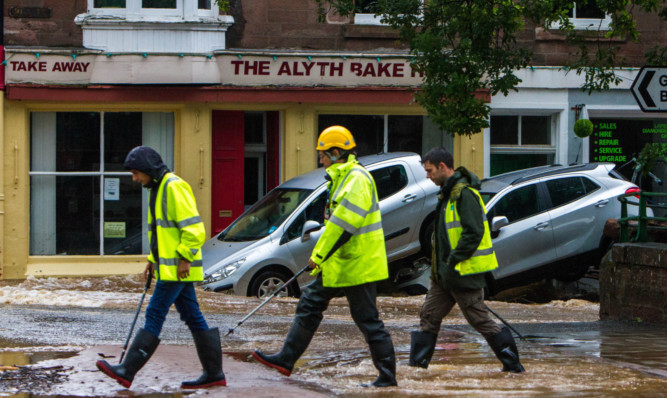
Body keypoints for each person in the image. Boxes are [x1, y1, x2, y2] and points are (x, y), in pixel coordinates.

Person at [252, 125, 397, 387]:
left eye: (323, 154)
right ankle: (286, 359)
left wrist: (317, 256)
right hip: (342, 263)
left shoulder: (356, 179)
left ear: (336, 152)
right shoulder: (341, 178)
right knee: (310, 302)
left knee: (367, 319)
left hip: (358, 264)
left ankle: (388, 377)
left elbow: (343, 226)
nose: (320, 159)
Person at [96, 146, 226, 389]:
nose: (135, 179)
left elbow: (195, 229)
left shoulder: (173, 186)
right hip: (172, 267)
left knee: (155, 313)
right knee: (192, 316)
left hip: (178, 268)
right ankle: (214, 374)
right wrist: (153, 259)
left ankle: (127, 371)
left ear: (147, 169)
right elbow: (162, 233)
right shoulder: (157, 188)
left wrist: (185, 258)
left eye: (136, 173)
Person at [409, 147, 525, 373]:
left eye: (430, 170)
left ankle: (513, 367)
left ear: (443, 167)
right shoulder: (447, 194)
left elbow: (473, 233)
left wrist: (453, 260)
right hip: (443, 276)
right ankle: (416, 370)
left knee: (479, 320)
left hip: (462, 273)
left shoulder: (464, 195)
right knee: (429, 316)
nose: (428, 176)